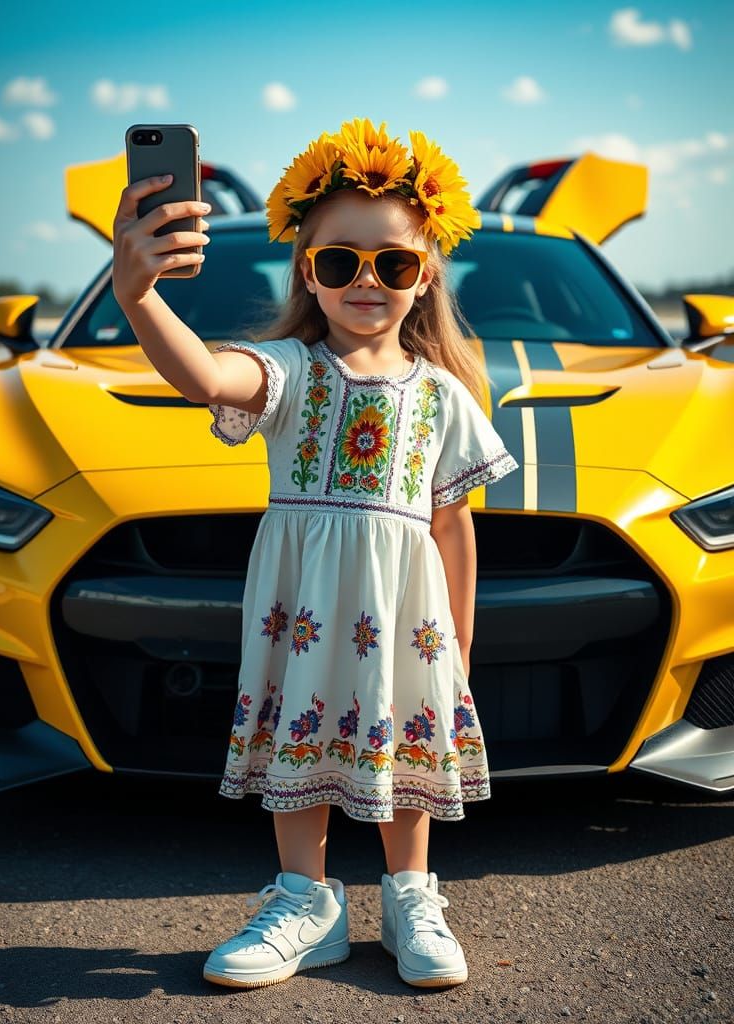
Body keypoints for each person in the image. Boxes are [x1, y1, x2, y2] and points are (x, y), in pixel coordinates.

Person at [112, 117, 520, 991]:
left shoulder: (443, 394)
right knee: (302, 733)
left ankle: (411, 894)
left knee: (402, 738)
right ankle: (308, 901)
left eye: (394, 263)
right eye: (340, 260)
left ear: (425, 276)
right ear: (308, 270)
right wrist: (139, 295)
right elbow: (207, 378)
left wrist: (461, 642)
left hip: (408, 618)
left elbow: (452, 524)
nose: (366, 279)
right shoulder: (289, 371)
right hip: (303, 606)